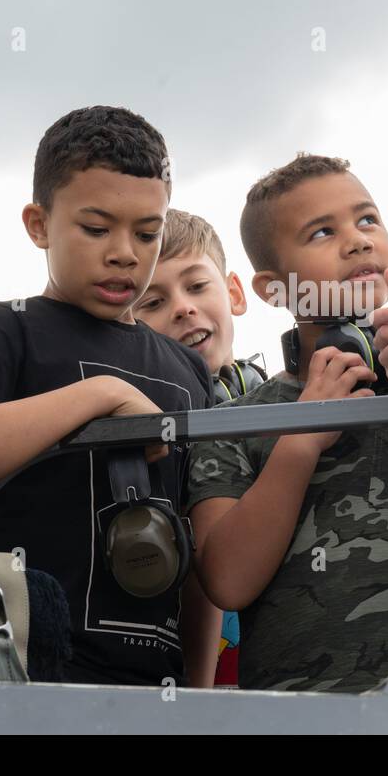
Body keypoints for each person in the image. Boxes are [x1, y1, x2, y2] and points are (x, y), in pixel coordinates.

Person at [184, 153, 388, 693]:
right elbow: (227, 581)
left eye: (366, 219)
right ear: (275, 290)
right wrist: (300, 442)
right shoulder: (234, 422)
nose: (357, 240)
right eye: (322, 232)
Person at [0, 106, 221, 688]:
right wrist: (101, 395)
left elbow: (199, 550)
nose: (125, 252)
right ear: (38, 225)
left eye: (147, 233)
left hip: (158, 686)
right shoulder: (4, 331)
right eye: (97, 228)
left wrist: (199, 693)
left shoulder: (188, 370)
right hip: (23, 670)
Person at [134, 208, 258, 686]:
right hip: (193, 676)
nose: (183, 307)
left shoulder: (290, 402)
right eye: (153, 301)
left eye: (196, 286)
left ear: (234, 292)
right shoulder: (146, 429)